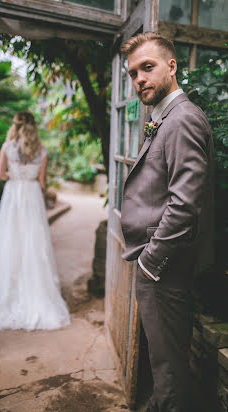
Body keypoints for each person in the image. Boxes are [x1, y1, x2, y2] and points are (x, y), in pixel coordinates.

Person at [120, 32, 214, 412]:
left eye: (147, 67)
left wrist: (149, 263)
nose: (139, 78)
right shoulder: (163, 117)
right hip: (161, 269)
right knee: (165, 363)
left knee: (169, 370)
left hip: (164, 269)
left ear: (172, 67)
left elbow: (185, 203)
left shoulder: (182, 119)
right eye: (133, 73)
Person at [0, 111, 70, 331]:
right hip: (32, 196)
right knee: (34, 245)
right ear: (33, 127)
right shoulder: (41, 151)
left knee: (10, 241)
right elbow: (43, 182)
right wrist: (32, 181)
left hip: (13, 196)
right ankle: (38, 295)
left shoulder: (7, 148)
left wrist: (15, 176)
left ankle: (9, 296)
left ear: (15, 126)